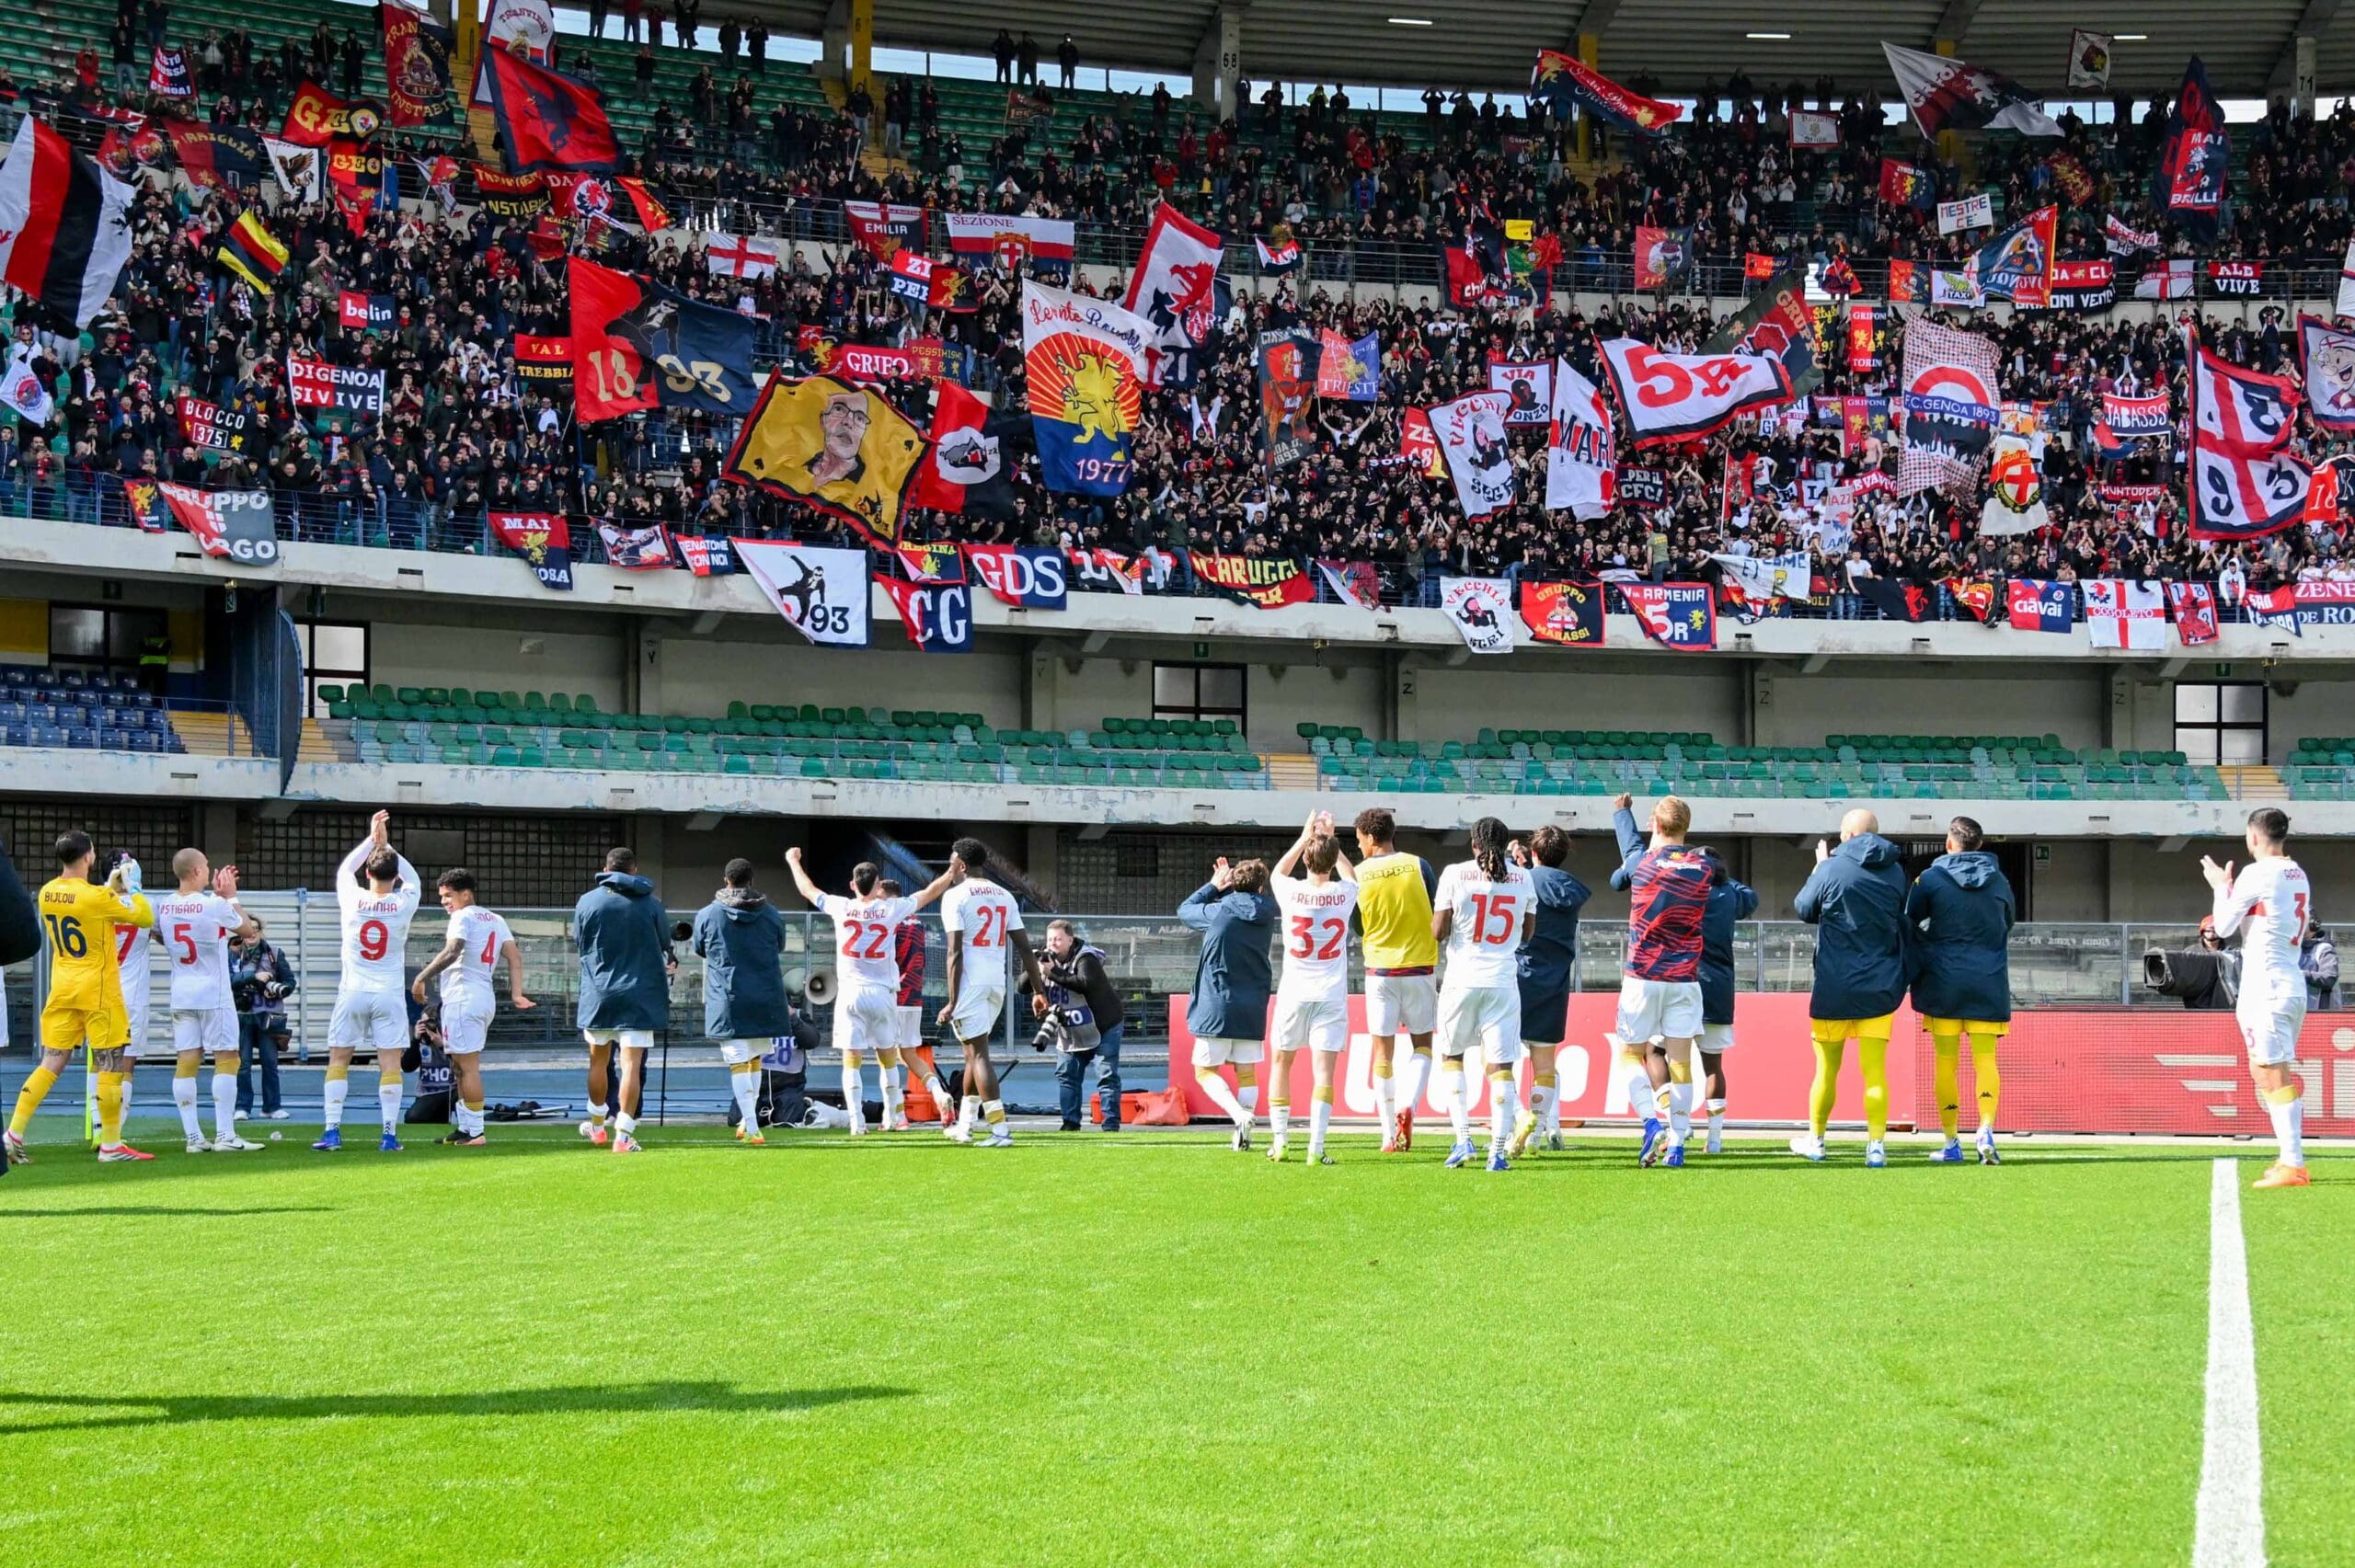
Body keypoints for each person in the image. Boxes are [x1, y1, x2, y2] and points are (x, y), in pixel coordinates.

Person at [784, 847, 954, 1138]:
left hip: (851, 993)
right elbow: (928, 893)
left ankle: (857, 1123)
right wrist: (950, 872)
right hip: (882, 993)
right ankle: (894, 1117)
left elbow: (808, 890)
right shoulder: (890, 908)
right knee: (888, 1059)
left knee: (851, 1062)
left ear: (852, 885)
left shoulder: (841, 906)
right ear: (877, 887)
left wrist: (793, 862)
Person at [6, 832, 154, 1164]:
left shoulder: (48, 892)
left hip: (63, 987)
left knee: (51, 1063)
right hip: (98, 990)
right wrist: (133, 887)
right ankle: (111, 1144)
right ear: (88, 856)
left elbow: (86, 905)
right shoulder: (96, 897)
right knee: (111, 1064)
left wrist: (110, 888)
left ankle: (13, 1133)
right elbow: (144, 916)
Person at [1789, 808, 1909, 1167]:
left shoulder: (1830, 868)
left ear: (1848, 836)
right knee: (1875, 1072)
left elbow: (1804, 909)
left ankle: (1817, 1141)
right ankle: (1876, 1146)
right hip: (1880, 985)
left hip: (1834, 985)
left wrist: (1818, 869)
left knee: (1826, 1071)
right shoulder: (1896, 871)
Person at [2204, 808, 2314, 1189]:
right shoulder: (2297, 872)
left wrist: (2220, 886)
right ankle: (2288, 1158)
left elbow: (2222, 926)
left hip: (2266, 987)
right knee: (2265, 1070)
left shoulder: (2257, 873)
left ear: (2252, 837)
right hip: (2287, 982)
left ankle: (2294, 1164)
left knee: (2271, 1072)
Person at [1607, 794, 1712, 1166]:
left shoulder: (1643, 862)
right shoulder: (1704, 867)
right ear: (1686, 826)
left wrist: (1622, 813)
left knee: (1630, 1054)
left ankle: (1651, 1123)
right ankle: (1678, 1143)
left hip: (1643, 975)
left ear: (1654, 825)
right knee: (1681, 1063)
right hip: (1684, 978)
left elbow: (1631, 851)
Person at [1906, 817, 2015, 1166]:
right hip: (1988, 980)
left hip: (1943, 982)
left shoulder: (1930, 879)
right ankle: (1986, 1129)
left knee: (1946, 1063)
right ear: (1980, 845)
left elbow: (1909, 921)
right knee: (1986, 1060)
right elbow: (2008, 922)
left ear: (1948, 843)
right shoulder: (1999, 880)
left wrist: (1929, 948)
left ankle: (1952, 1142)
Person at [1430, 818, 1534, 1171]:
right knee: (1502, 1067)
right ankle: (1498, 1152)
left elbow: (1438, 932)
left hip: (1462, 979)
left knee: (1452, 1056)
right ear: (1504, 845)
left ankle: (1463, 1140)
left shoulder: (1454, 873)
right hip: (1502, 981)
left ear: (1474, 843)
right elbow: (1527, 934)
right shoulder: (1523, 878)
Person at [316, 811, 422, 1154]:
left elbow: (344, 870)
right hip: (388, 992)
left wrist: (371, 840)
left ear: (368, 873)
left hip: (353, 991)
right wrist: (386, 845)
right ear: (394, 875)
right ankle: (389, 1135)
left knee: (339, 1059)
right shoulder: (404, 901)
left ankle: (332, 1131)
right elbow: (413, 877)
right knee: (389, 1064)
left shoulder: (352, 897)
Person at [409, 868, 534, 1148]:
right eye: (442, 896)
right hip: (481, 998)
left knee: (467, 1067)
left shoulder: (462, 917)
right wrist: (516, 994)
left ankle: (475, 1132)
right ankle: (466, 1127)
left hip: (464, 999)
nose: (444, 901)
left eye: (448, 895)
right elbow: (514, 957)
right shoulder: (496, 919)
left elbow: (454, 949)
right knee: (458, 1066)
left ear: (466, 894)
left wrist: (422, 977)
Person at [151, 848, 260, 1154]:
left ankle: (194, 1138)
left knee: (187, 1061)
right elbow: (248, 930)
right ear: (197, 871)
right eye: (206, 866)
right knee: (228, 1058)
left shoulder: (164, 905)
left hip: (181, 993)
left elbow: (160, 936)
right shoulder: (213, 905)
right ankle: (225, 1135)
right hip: (213, 993)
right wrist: (231, 896)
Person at [935, 838, 1042, 1145]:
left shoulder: (954, 896)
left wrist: (952, 1001)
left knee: (979, 1054)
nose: (950, 869)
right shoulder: (1005, 895)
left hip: (970, 983)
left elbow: (955, 952)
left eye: (952, 863)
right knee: (972, 1054)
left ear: (962, 865)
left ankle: (1000, 1130)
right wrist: (1039, 990)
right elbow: (1025, 949)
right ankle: (965, 1126)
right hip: (996, 981)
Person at [1266, 811, 1356, 1164]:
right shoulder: (1344, 892)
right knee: (1324, 1073)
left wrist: (1305, 837)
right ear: (1332, 861)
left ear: (1306, 858)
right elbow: (1351, 874)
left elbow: (1278, 872)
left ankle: (1281, 1141)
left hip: (1295, 991)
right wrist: (1332, 841)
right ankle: (1316, 1148)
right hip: (1330, 993)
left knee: (1281, 1063)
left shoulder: (1291, 891)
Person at [573, 846, 674, 1155]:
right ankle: (624, 1135)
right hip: (640, 992)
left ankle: (597, 1126)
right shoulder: (652, 903)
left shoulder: (587, 901)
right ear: (634, 870)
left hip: (599, 991)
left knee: (598, 1061)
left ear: (606, 869)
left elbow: (580, 942)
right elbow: (665, 942)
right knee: (631, 1064)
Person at [1350, 807, 1438, 1151]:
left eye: (1360, 840)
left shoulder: (1358, 874)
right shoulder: (1419, 865)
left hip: (1380, 972)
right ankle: (1408, 1104)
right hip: (1420, 968)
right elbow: (1437, 909)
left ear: (1371, 837)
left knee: (1382, 1055)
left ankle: (1388, 1134)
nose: (1359, 846)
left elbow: (1358, 927)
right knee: (1423, 1047)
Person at [690, 858, 792, 1147]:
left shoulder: (708, 914)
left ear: (726, 881)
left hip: (729, 997)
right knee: (756, 1059)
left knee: (738, 1063)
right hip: (766, 996)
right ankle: (749, 1122)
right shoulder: (771, 914)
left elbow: (700, 948)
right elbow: (779, 945)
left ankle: (751, 1126)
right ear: (751, 881)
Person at [1179, 852, 1278, 1150]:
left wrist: (1213, 886)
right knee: (1246, 1072)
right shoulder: (1268, 912)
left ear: (1234, 885)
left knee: (1205, 1071)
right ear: (1261, 887)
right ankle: (1242, 1135)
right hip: (1253, 1002)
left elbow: (1185, 911)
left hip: (1217, 1002)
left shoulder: (1222, 909)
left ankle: (1238, 1115)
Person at [1506, 826, 1588, 1157]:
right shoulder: (1572, 889)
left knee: (1499, 1060)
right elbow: (1546, 885)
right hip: (1555, 981)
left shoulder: (1523, 880)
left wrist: (1515, 862)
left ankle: (1514, 1122)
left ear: (1534, 852)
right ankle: (1538, 1134)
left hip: (1519, 975)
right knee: (1544, 1065)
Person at [1693, 849, 1758, 1155]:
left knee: (1659, 1054)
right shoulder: (1730, 895)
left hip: (1683, 981)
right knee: (1713, 1067)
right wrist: (1724, 877)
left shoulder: (1686, 892)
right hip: (1718, 986)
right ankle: (1715, 1139)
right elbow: (1751, 898)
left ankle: (1676, 1126)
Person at [878, 878, 957, 1127]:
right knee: (909, 1055)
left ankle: (895, 1116)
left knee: (886, 1057)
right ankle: (939, 1093)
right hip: (914, 996)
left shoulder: (889, 920)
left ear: (886, 895)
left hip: (893, 995)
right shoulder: (917, 921)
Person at [1035, 919, 1124, 1131]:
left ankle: (1111, 1125)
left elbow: (1085, 983)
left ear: (1070, 939)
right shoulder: (1046, 960)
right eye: (1050, 939)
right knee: (1067, 1074)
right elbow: (1022, 986)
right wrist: (1035, 969)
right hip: (1071, 1030)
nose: (1052, 943)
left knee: (1106, 1074)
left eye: (1058, 939)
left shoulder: (1086, 958)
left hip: (1103, 1026)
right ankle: (1070, 1123)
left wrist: (1053, 972)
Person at [230, 919, 294, 1119]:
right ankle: (242, 1107)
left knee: (270, 1063)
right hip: (242, 1015)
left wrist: (276, 990)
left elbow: (290, 982)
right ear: (241, 932)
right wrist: (253, 977)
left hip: (269, 1015)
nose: (252, 933)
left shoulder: (274, 953)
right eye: (248, 929)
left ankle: (272, 1107)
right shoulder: (231, 954)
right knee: (242, 1065)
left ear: (261, 932)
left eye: (256, 929)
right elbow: (226, 980)